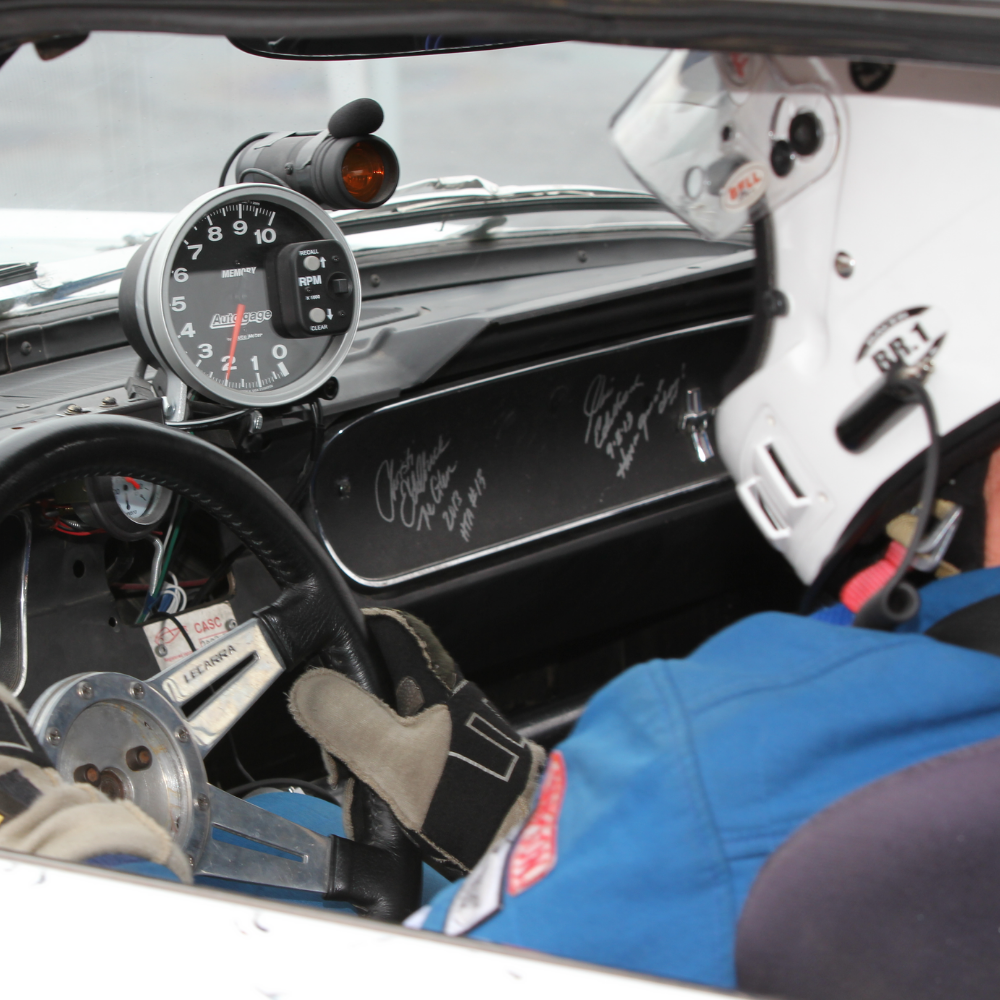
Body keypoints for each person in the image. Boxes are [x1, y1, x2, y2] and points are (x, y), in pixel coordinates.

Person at [8, 47, 1000, 994]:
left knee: (269, 816)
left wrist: (88, 868)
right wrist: (523, 824)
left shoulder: (715, 761)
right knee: (296, 823)